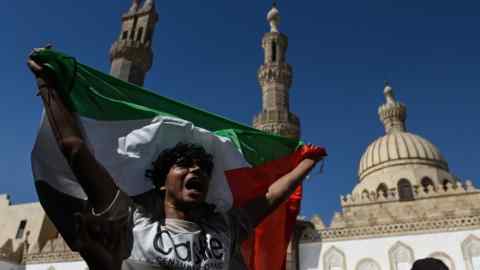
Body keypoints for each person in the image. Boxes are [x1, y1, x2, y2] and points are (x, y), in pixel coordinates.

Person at [27, 50, 325, 270]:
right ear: (161, 181)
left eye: (204, 168)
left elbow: (271, 195)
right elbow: (76, 150)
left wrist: (305, 163)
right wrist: (49, 88)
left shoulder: (223, 230)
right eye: (183, 164)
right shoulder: (131, 220)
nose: (196, 169)